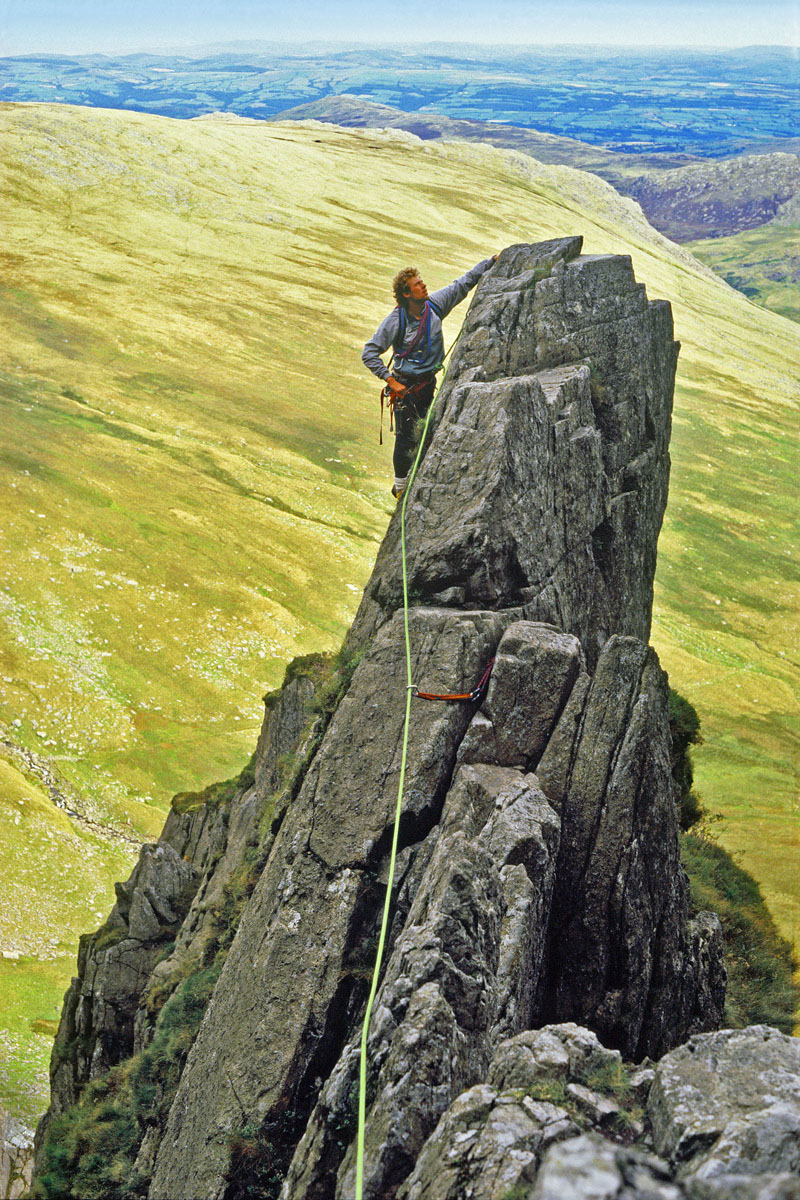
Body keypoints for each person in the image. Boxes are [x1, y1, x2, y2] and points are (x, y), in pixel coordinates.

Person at [362, 256, 497, 499]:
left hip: (428, 384)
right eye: (417, 284)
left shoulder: (434, 305)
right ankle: (400, 487)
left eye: (422, 282)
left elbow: (462, 284)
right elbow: (369, 352)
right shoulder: (396, 321)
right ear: (406, 294)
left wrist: (491, 262)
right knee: (405, 438)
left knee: (425, 432)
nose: (424, 286)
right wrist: (390, 380)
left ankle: (411, 477)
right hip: (407, 389)